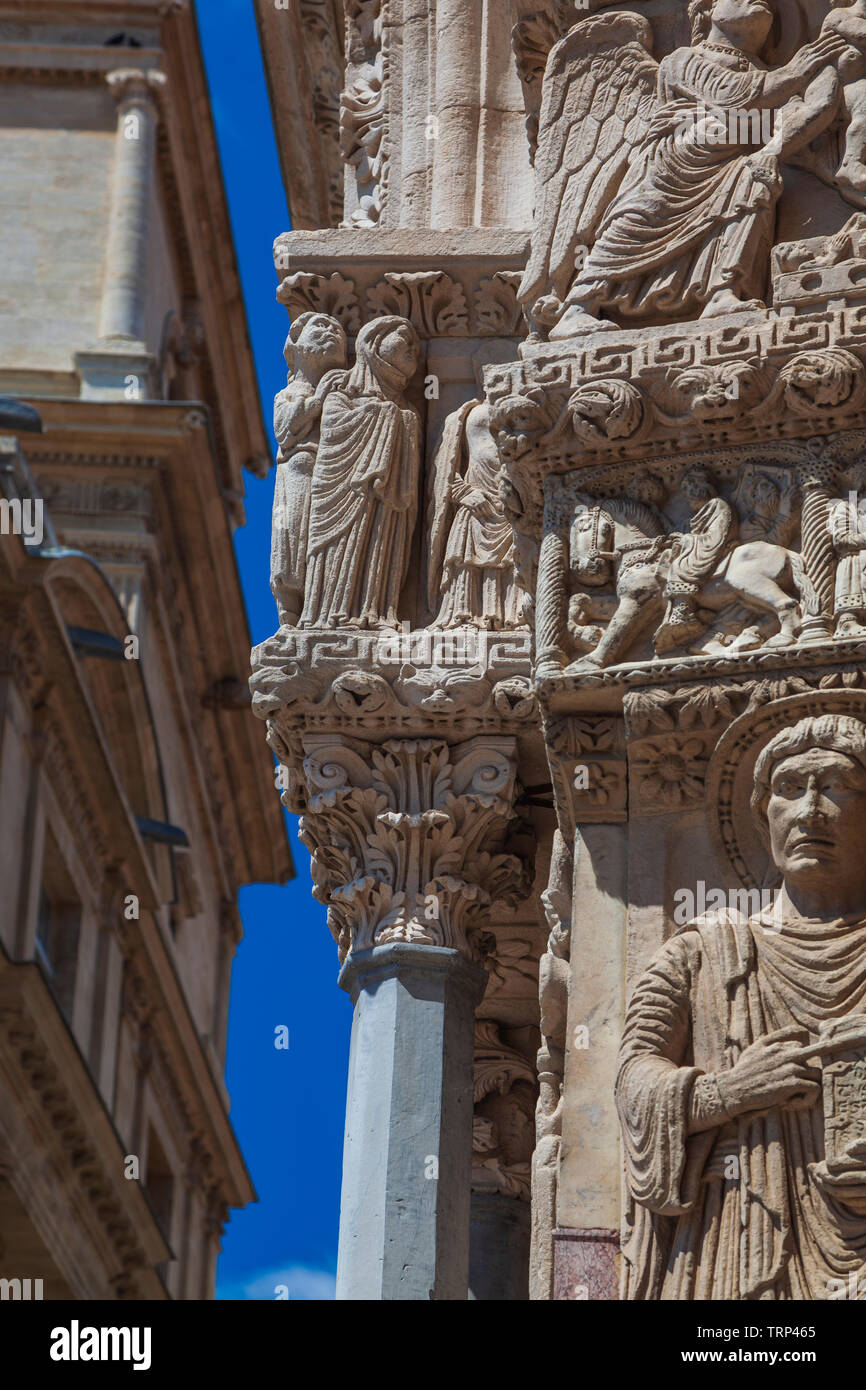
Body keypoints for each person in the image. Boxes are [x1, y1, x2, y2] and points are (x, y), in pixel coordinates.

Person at [617, 713, 866, 1298]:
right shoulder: (703, 952)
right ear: (762, 817)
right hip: (735, 1235)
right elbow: (633, 1078)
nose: (809, 811)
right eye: (788, 790)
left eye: (836, 787)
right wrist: (728, 1092)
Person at [299, 316, 421, 630]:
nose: (413, 349)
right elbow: (333, 435)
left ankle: (375, 611)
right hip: (344, 494)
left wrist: (400, 418)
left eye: (417, 346)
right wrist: (385, 413)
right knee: (341, 548)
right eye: (404, 338)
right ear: (372, 342)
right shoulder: (341, 395)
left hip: (387, 500)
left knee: (383, 543)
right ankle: (329, 615)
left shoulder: (408, 409)